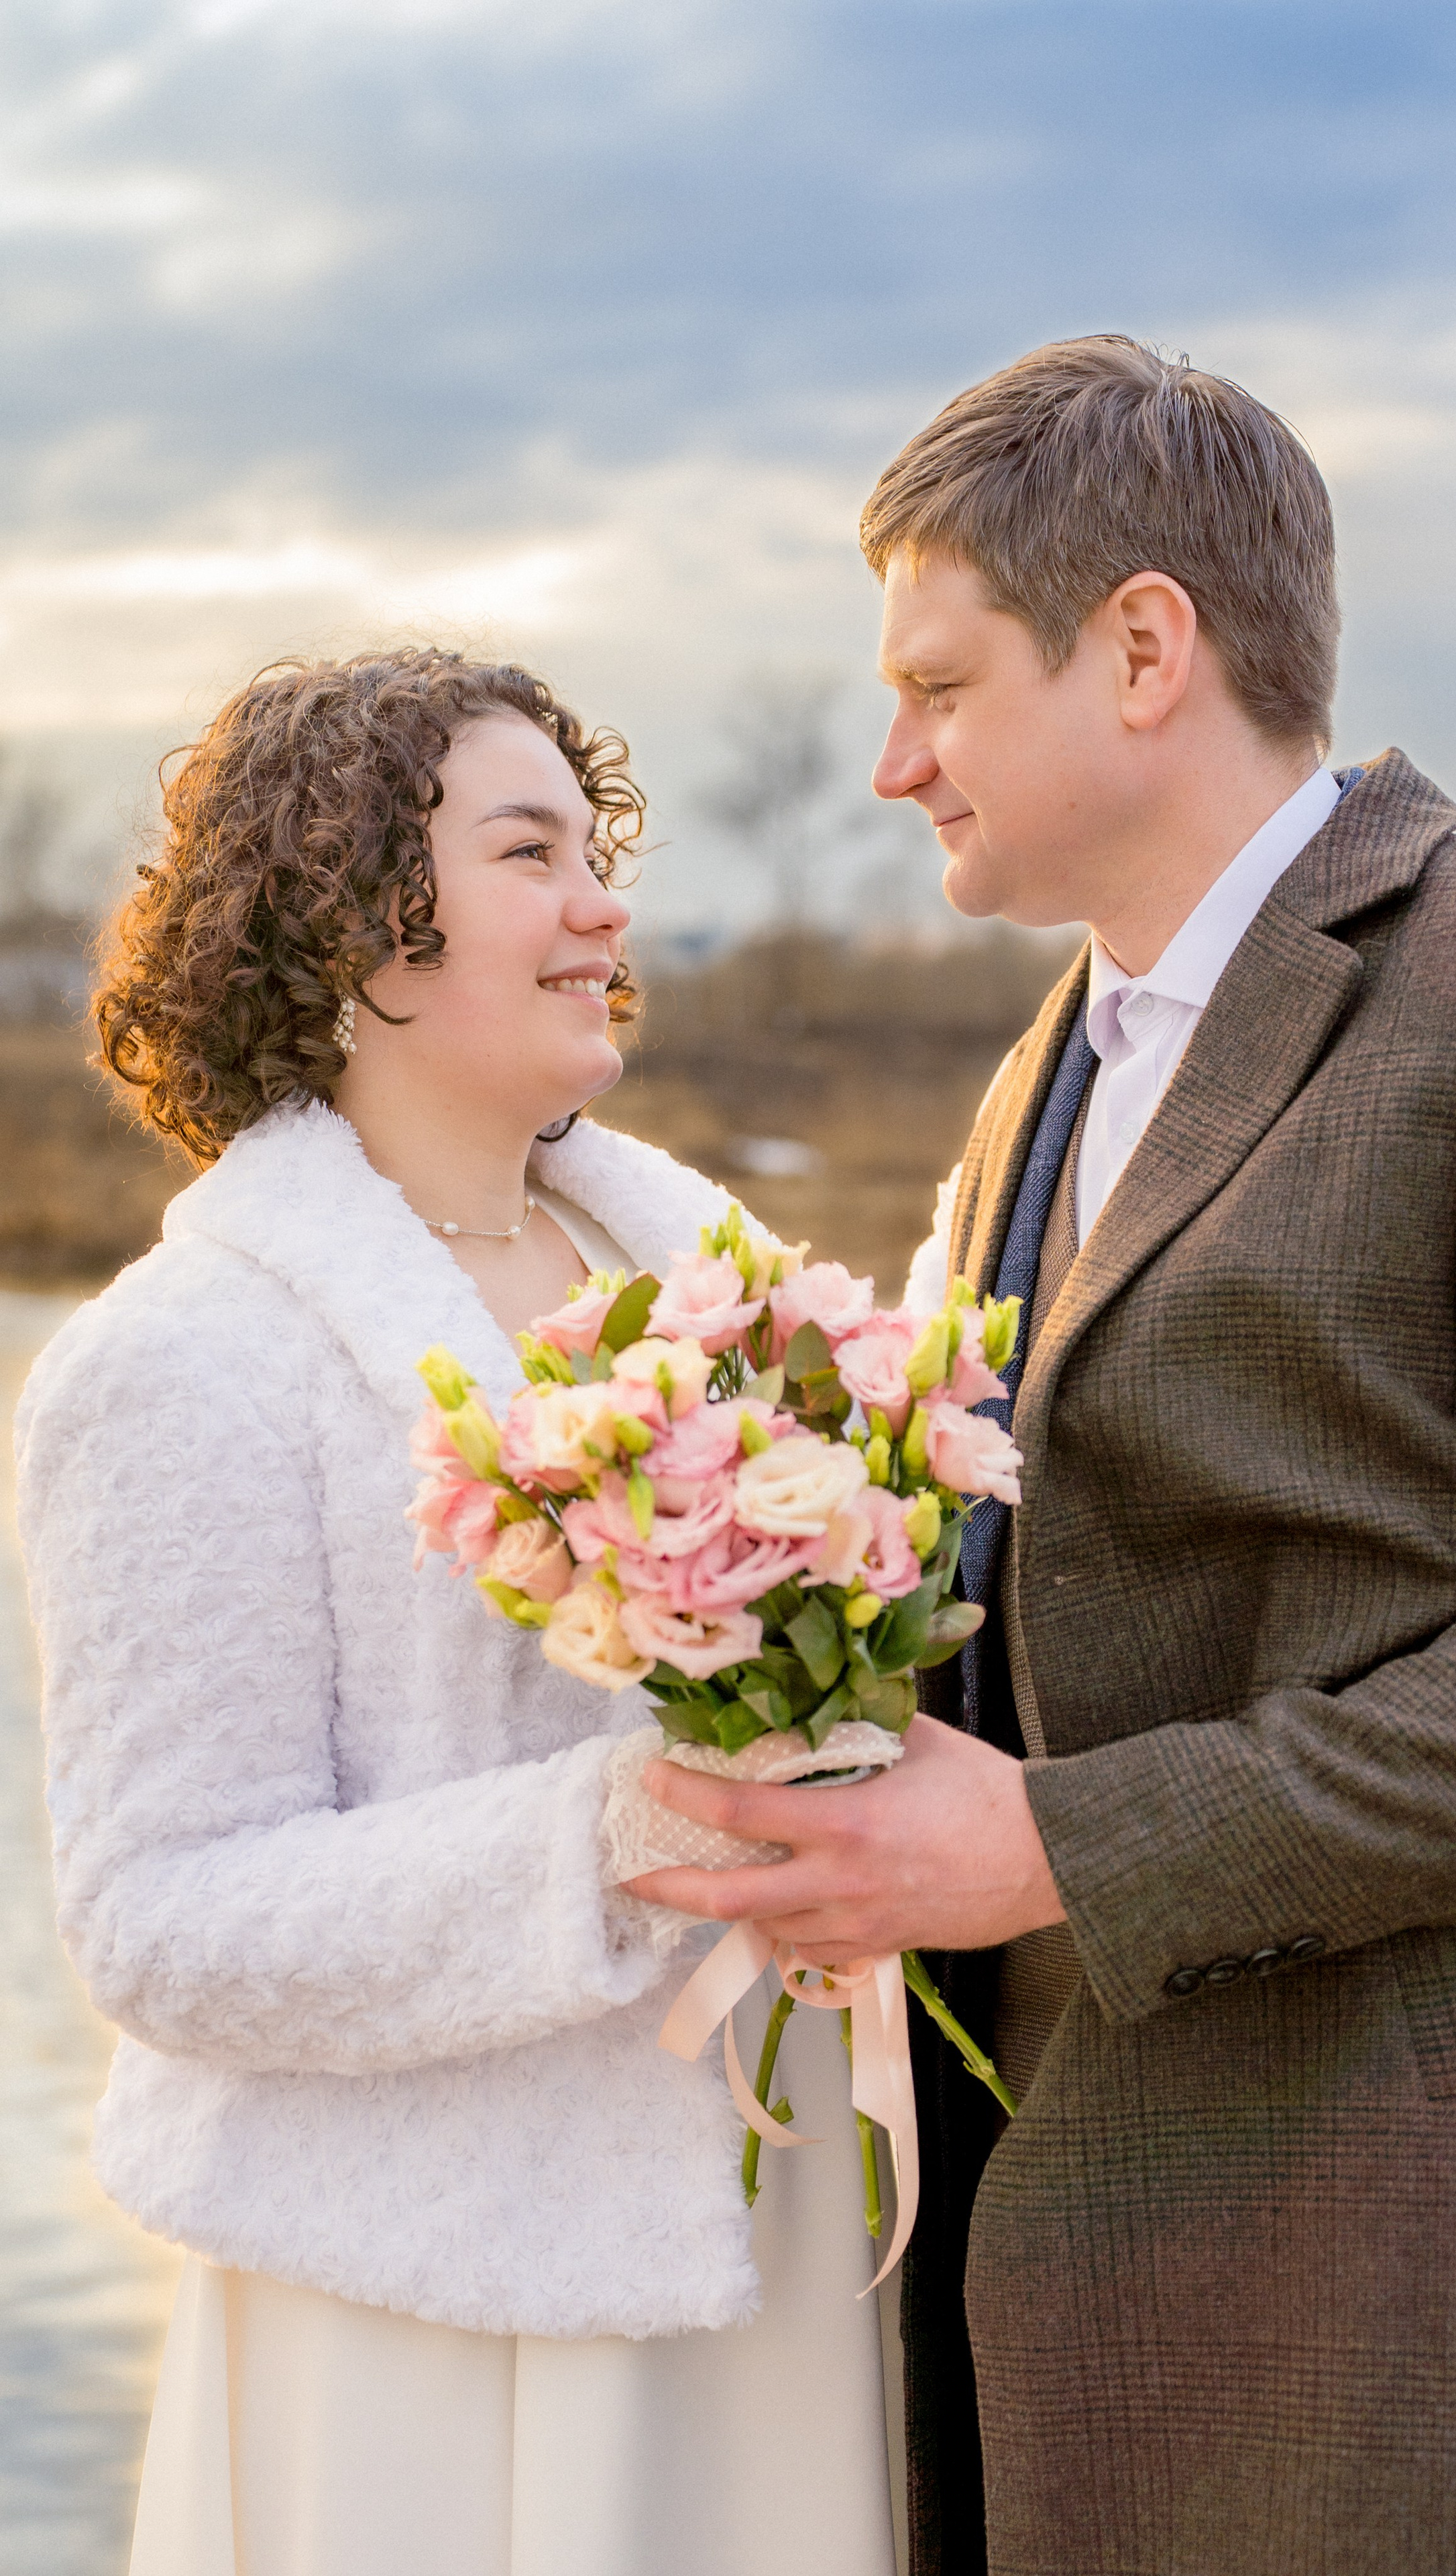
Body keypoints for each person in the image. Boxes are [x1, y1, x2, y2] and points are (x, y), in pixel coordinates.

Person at [626, 337, 1456, 2573]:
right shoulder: (1045, 1064)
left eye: (939, 686)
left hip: (1429, 2307)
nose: (892, 760)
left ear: (1143, 648)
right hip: (1056, 2298)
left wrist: (1061, 1846)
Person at [15, 647, 900, 2576]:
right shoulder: (183, 1359)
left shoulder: (726, 1293)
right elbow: (161, 1923)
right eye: (530, 854)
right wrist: (610, 1841)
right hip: (427, 2318)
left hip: (780, 2234)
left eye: (598, 855)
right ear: (356, 927)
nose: (605, 909)